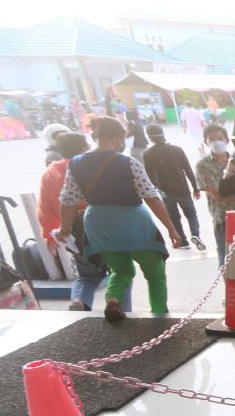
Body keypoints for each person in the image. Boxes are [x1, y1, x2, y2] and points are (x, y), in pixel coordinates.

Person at [55, 117, 182, 320]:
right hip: (133, 223)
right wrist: (172, 229)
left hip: (99, 224)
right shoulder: (128, 162)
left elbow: (68, 200)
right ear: (118, 137)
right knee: (154, 273)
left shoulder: (76, 163)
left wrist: (65, 228)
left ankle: (113, 299)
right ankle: (160, 315)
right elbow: (151, 197)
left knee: (120, 270)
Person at [39, 132, 134, 312]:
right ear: (84, 147)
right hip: (105, 226)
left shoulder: (49, 173)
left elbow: (44, 208)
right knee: (120, 271)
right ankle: (119, 309)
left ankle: (80, 301)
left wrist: (51, 234)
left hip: (74, 232)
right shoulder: (87, 167)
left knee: (86, 276)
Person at [143, 123, 204, 251]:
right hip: (183, 189)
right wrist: (195, 188)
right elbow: (188, 170)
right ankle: (195, 234)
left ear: (150, 138)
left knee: (174, 217)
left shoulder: (148, 153)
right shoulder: (177, 150)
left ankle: (183, 241)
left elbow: (149, 176)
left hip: (165, 192)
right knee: (191, 214)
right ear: (163, 135)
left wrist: (157, 188)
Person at [195, 124, 234, 265]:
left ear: (227, 140)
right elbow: (217, 195)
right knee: (226, 260)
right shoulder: (203, 165)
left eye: (219, 138)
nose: (216, 142)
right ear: (206, 142)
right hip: (223, 218)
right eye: (211, 139)